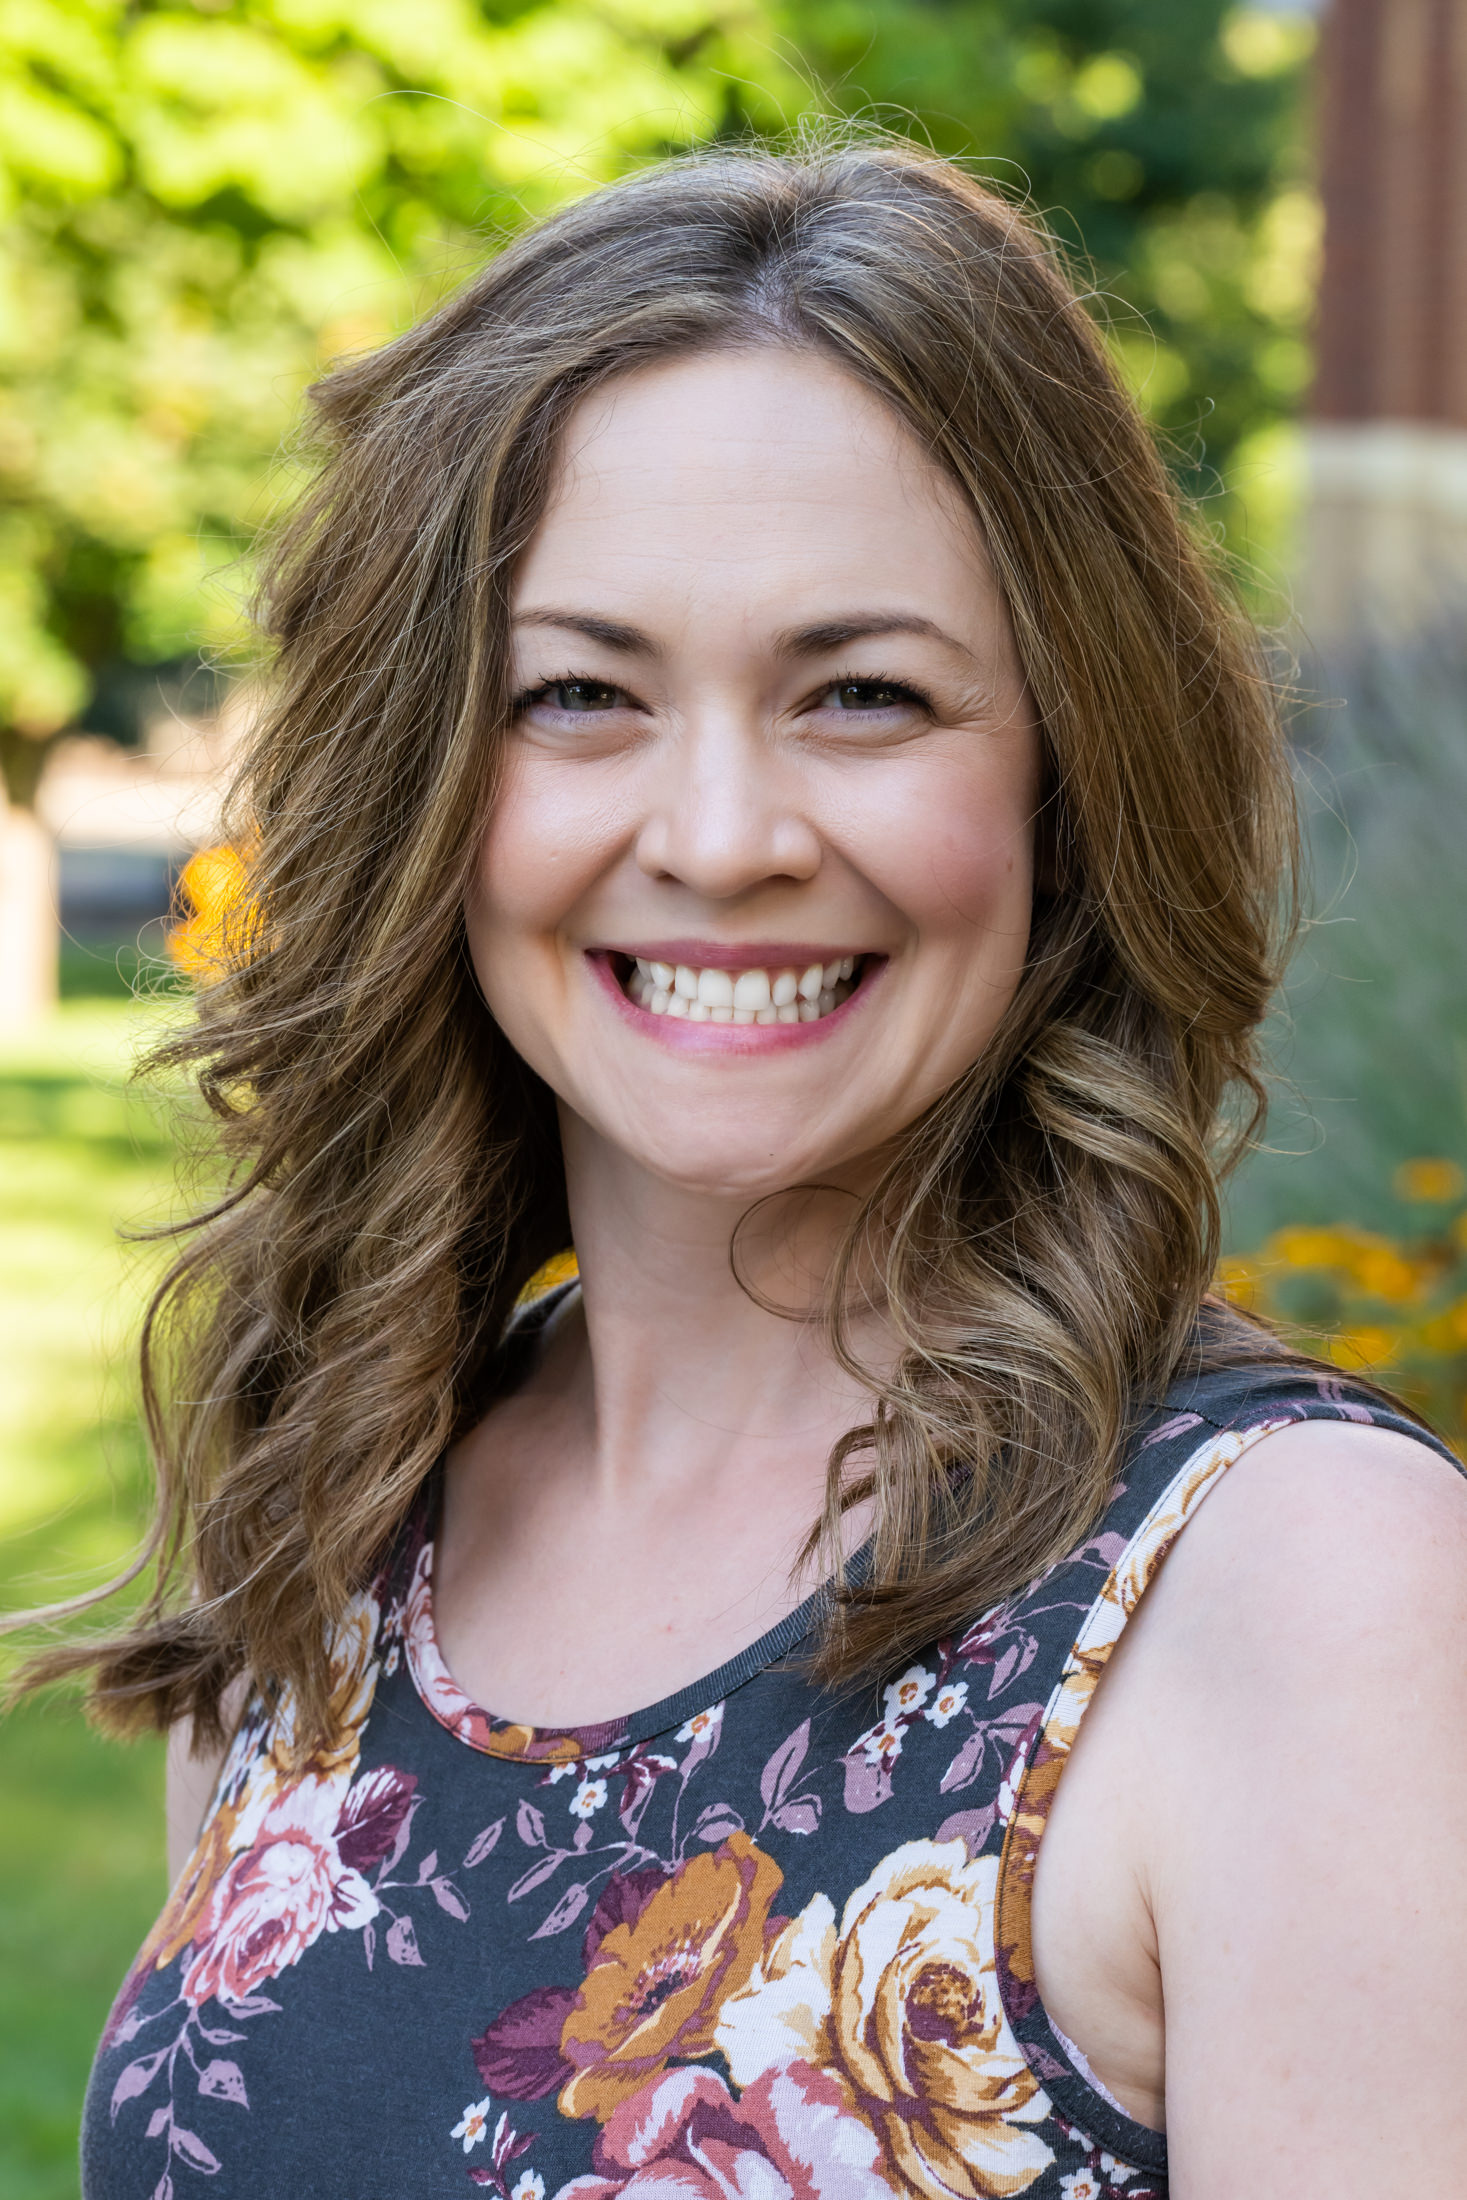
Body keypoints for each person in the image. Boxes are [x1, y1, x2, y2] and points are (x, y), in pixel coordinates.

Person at [32, 140, 1467, 2197]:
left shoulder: (1298, 1597)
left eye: (862, 693)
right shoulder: (342, 1517)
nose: (718, 831)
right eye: (579, 694)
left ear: (1065, 775)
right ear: (434, 778)